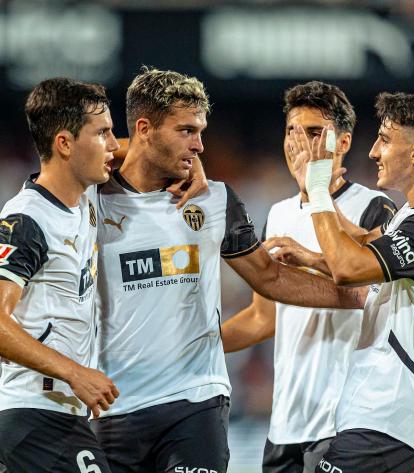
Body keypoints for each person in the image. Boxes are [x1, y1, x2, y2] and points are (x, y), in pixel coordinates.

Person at [90, 68, 366, 473]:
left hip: (195, 402)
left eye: (200, 131)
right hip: (114, 406)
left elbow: (268, 277)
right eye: (186, 131)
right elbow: (64, 162)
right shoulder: (90, 198)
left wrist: (352, 296)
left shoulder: (215, 199)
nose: (200, 146)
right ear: (144, 129)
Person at [286, 91, 414, 472]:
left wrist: (320, 187)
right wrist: (311, 198)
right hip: (383, 409)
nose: (373, 152)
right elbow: (361, 244)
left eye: (385, 140)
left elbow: (349, 267)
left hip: (395, 407)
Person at [221, 81, 396, 473]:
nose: (299, 143)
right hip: (286, 423)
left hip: (344, 418)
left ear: (344, 142)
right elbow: (263, 318)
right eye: (291, 131)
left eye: (314, 133)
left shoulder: (373, 208)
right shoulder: (279, 214)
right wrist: (200, 345)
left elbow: (371, 288)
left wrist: (316, 192)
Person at [0, 78, 121, 472]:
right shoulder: (27, 219)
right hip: (34, 413)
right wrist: (75, 373)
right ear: (65, 143)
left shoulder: (82, 199)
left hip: (50, 415)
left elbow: (145, 147)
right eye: (103, 133)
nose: (115, 145)